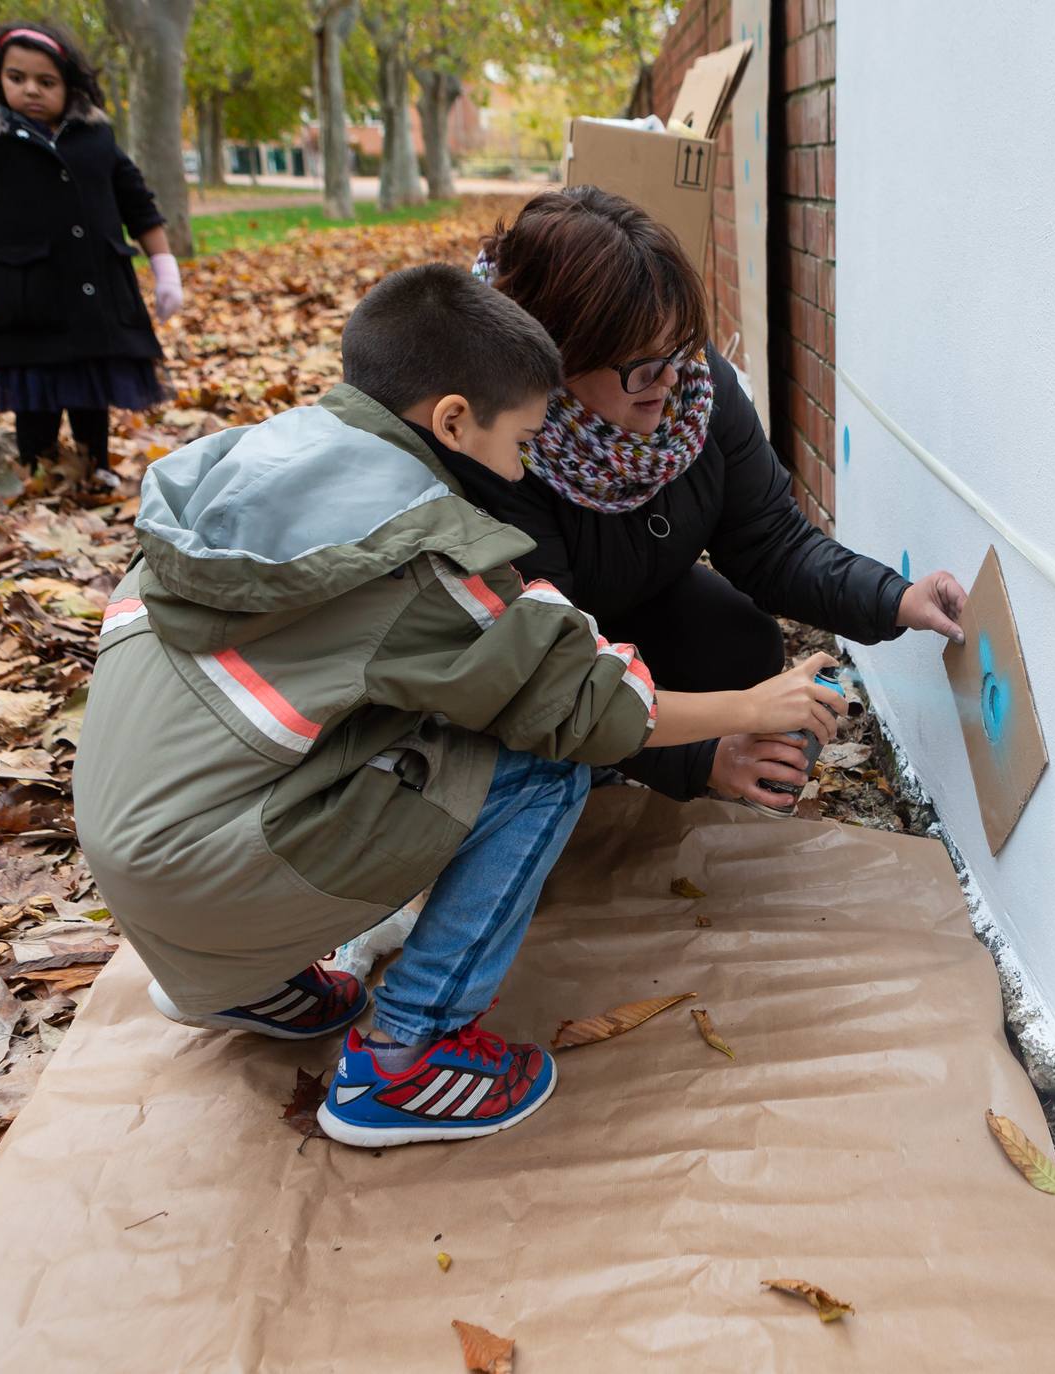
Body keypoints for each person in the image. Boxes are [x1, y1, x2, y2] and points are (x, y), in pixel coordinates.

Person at [73, 265, 844, 1147]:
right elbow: (583, 706)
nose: (522, 463)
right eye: (520, 440)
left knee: (403, 718)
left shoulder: (263, 461)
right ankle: (408, 1056)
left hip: (146, 866)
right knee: (546, 763)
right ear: (450, 420)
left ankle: (250, 978)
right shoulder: (420, 553)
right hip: (217, 881)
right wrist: (750, 706)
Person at [463, 187, 968, 812]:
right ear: (555, 358)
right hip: (532, 661)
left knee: (739, 643)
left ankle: (633, 754)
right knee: (540, 758)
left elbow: (773, 544)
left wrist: (894, 598)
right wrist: (705, 758)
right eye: (643, 367)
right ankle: (597, 776)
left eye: (680, 351)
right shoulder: (498, 441)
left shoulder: (697, 394)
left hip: (630, 604)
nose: (670, 382)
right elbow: (550, 677)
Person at [0, 22, 181, 472]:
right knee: (35, 386)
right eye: (16, 78)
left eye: (46, 82)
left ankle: (95, 461)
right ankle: (37, 463)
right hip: (26, 292)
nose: (31, 91)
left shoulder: (95, 137)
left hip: (95, 290)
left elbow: (136, 201)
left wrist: (165, 267)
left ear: (70, 86)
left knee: (92, 385)